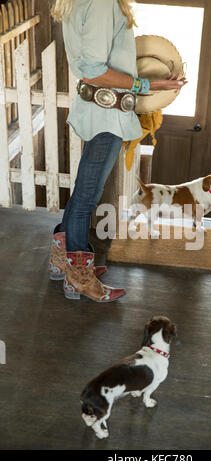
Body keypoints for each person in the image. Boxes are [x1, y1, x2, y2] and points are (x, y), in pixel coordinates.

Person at [49, 0, 187, 304]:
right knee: (86, 196)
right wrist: (146, 84)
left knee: (83, 192)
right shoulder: (101, 2)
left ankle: (65, 260)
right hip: (106, 112)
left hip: (96, 108)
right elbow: (94, 72)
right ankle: (80, 277)